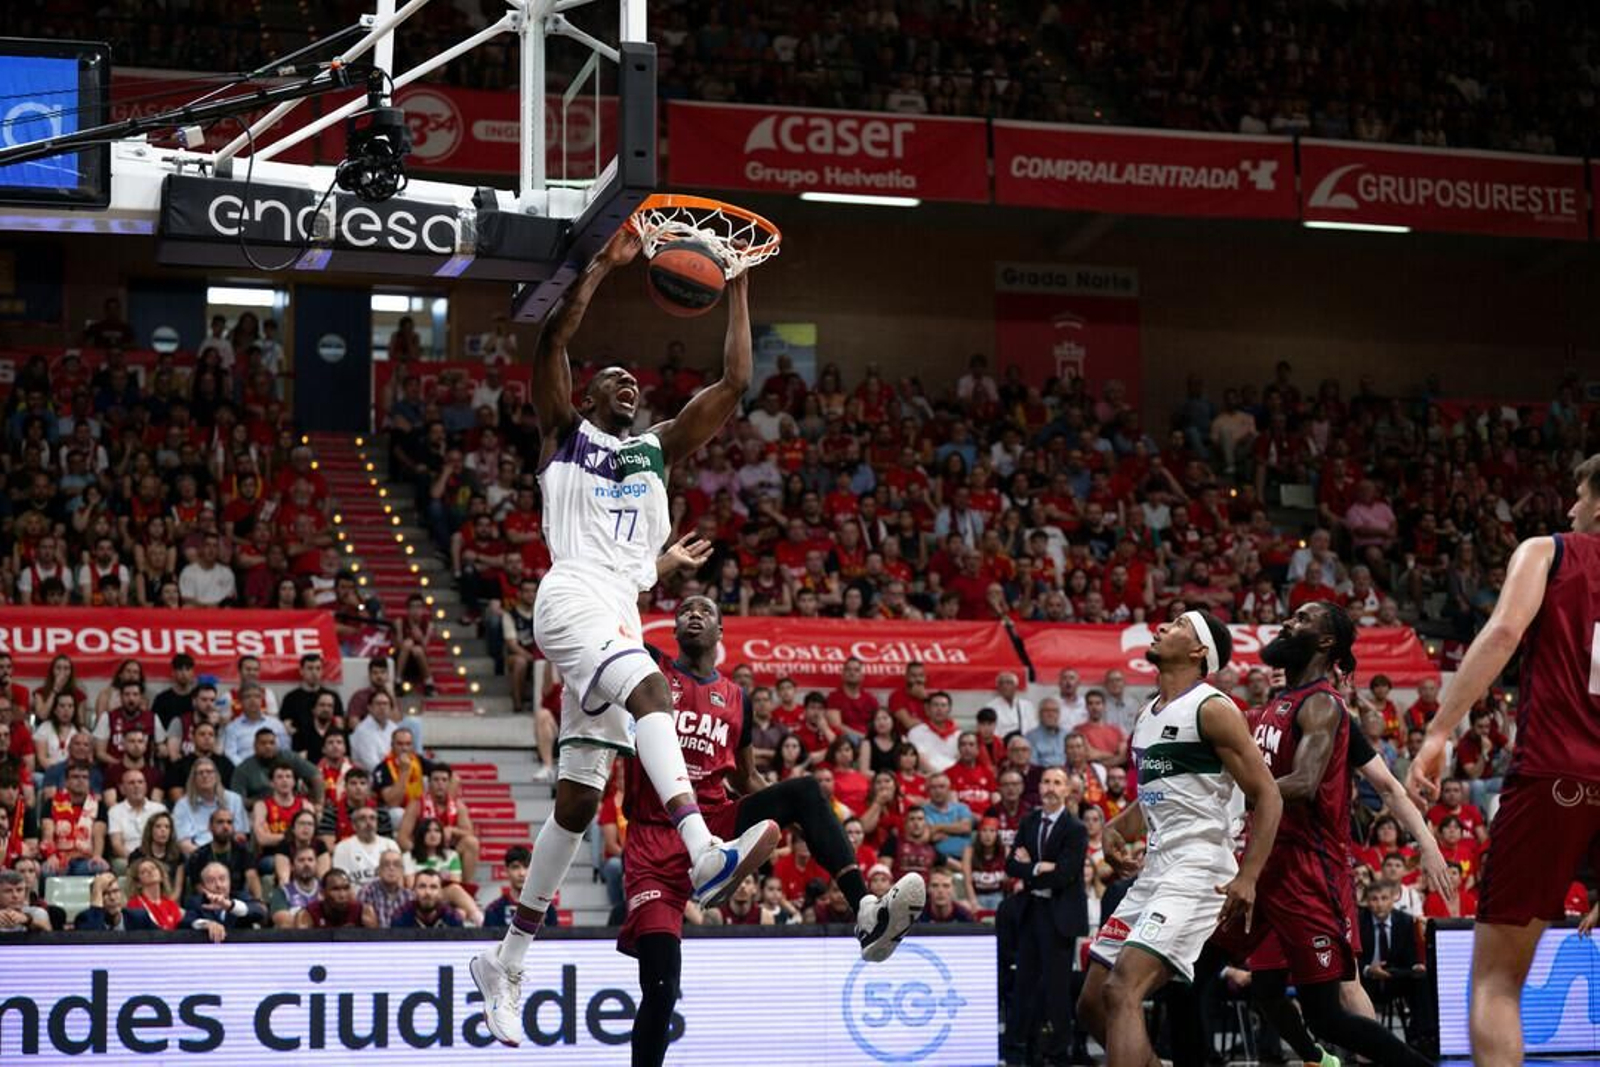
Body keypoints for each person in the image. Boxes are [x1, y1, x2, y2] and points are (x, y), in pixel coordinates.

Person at [471, 232, 773, 1049]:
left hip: (618, 609)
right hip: (571, 598)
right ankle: (703, 846)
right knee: (653, 691)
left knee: (575, 806)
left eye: (635, 380)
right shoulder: (563, 431)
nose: (627, 382)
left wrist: (737, 283)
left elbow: (735, 382)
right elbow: (553, 340)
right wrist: (602, 266)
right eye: (614, 377)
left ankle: (506, 958)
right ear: (590, 393)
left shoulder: (657, 446)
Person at [610, 596, 926, 1067]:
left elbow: (744, 778)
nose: (693, 614)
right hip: (654, 840)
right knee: (661, 988)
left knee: (803, 790)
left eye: (705, 610)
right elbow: (610, 625)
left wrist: (797, 820)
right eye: (685, 610)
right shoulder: (651, 670)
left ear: (720, 634)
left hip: (716, 824)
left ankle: (865, 912)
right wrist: (657, 566)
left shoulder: (735, 698)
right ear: (673, 630)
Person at [1406, 453, 1600, 1067]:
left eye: (1581, 494)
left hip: (1556, 777)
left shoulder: (1551, 551)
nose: (1572, 507)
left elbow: (1503, 633)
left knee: (1494, 985)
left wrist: (1439, 731)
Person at [1075, 609, 1282, 1067]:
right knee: (1091, 1002)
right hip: (1156, 868)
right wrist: (1116, 826)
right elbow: (1157, 795)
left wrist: (1248, 877)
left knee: (1122, 988)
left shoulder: (1213, 708)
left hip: (1199, 868)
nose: (1163, 627)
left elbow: (1268, 796)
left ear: (1198, 652)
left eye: (1178, 625)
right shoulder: (1149, 712)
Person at [1236, 602, 1433, 1066]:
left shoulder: (1323, 705)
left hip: (1311, 871)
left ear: (1326, 644)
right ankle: (1319, 1060)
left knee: (1336, 1001)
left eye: (1301, 619)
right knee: (1263, 987)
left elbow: (1325, 785)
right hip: (1268, 866)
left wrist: (1426, 842)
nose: (1287, 623)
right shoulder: (1276, 704)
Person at [1004, 766, 1090, 1066]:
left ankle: (1059, 1051)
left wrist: (1032, 868)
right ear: (1038, 787)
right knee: (1023, 984)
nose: (1051, 788)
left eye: (1057, 783)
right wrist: (1043, 867)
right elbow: (1011, 865)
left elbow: (1065, 875)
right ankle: (1017, 1048)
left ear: (1067, 790)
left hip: (1060, 917)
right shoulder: (1029, 821)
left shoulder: (1076, 828)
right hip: (1032, 912)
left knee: (1057, 989)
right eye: (1046, 782)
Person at [182, 860, 267, 940]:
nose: (218, 885)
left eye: (222, 879)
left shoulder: (241, 897)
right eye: (211, 881)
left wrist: (230, 906)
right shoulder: (196, 902)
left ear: (229, 881)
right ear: (203, 887)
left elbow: (259, 911)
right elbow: (187, 921)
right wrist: (207, 924)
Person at [332, 807, 399, 890]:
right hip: (355, 900)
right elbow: (341, 881)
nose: (368, 823)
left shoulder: (390, 845)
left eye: (372, 818)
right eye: (362, 819)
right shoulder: (343, 848)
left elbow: (399, 879)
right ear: (354, 825)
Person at [76, 871, 158, 931]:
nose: (112, 898)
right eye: (105, 893)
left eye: (115, 891)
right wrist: (97, 891)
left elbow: (163, 941)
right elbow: (91, 942)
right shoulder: (85, 919)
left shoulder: (139, 918)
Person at [392, 869, 463, 928]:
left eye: (433, 887)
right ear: (414, 891)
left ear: (440, 892)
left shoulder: (452, 918)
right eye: (422, 886)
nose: (428, 892)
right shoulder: (401, 917)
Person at [297, 869, 363, 928]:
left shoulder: (361, 911)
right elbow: (300, 940)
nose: (342, 895)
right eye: (335, 889)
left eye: (346, 888)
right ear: (323, 893)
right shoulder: (309, 914)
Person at [0, 869, 50, 933]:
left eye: (19, 890)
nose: (15, 895)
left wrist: (27, 920)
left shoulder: (37, 912)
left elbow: (49, 933)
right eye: (8, 891)